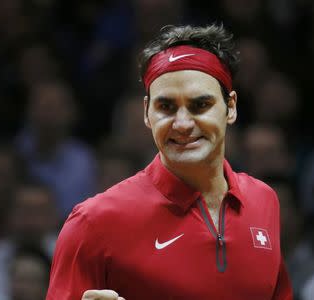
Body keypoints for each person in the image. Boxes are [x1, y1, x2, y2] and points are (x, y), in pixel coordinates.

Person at [46, 24, 293, 300]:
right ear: (146, 113)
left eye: (200, 105)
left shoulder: (264, 201)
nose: (183, 123)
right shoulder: (93, 223)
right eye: (166, 107)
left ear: (231, 107)